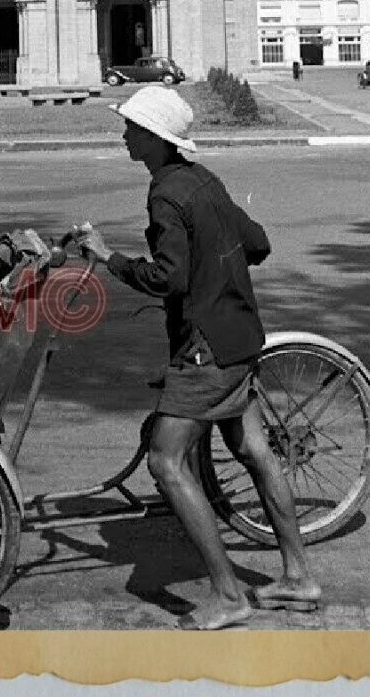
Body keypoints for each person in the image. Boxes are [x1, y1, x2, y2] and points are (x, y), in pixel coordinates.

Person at [76, 85, 321, 630]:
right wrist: (218, 272)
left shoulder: (165, 192)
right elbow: (255, 243)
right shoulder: (204, 180)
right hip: (240, 336)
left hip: (205, 349)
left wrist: (109, 258)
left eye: (133, 128)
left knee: (166, 461)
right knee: (255, 452)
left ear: (157, 140)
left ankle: (230, 595)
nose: (125, 134)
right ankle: (299, 576)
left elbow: (170, 278)